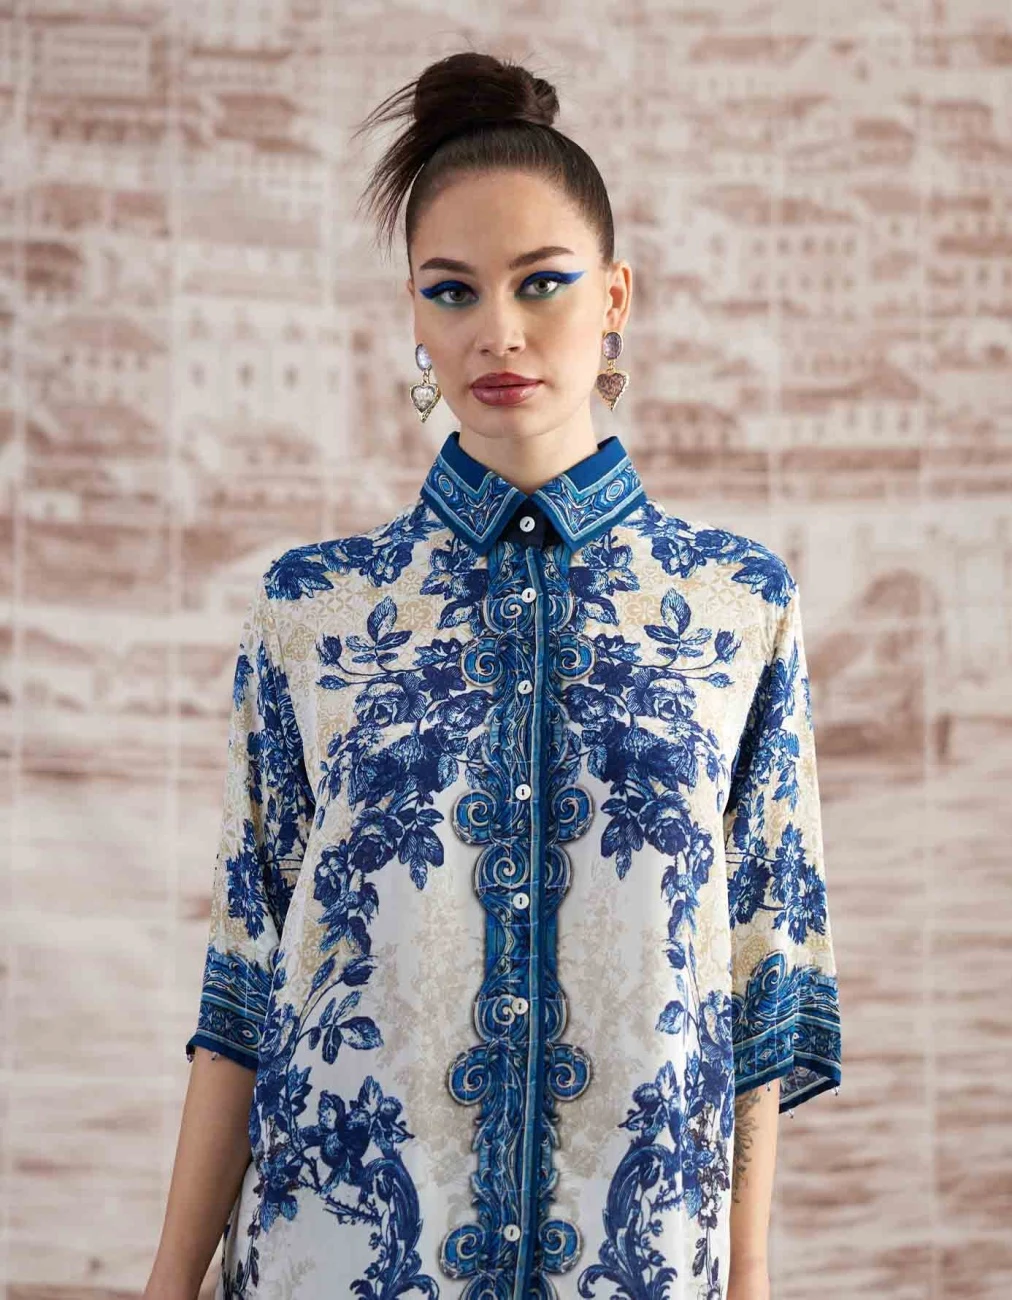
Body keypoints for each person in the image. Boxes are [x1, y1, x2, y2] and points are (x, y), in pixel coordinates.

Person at [146, 50, 842, 1300]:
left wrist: (747, 1280)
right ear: (414, 315)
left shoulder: (740, 610)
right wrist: (165, 1283)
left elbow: (761, 983)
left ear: (615, 295)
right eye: (452, 290)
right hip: (333, 1262)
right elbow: (245, 986)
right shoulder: (313, 613)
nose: (497, 330)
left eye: (542, 282)